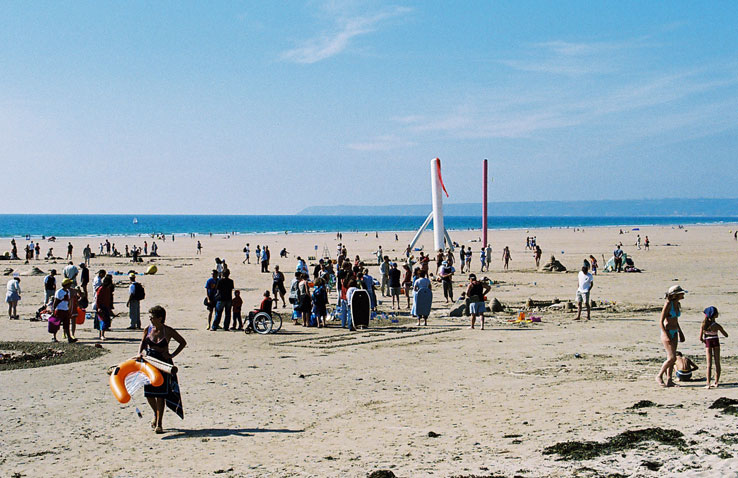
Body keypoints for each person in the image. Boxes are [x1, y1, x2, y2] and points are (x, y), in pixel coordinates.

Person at [138, 305, 186, 434]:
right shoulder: (147, 329)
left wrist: (172, 355)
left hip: (163, 365)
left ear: (160, 318)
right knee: (148, 394)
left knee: (160, 395)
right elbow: (143, 343)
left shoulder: (168, 331)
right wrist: (139, 353)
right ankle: (156, 413)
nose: (150, 320)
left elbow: (182, 342)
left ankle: (159, 423)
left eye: (152, 318)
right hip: (149, 363)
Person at [657, 285, 687, 388]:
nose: (683, 295)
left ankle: (669, 380)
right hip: (668, 331)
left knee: (672, 358)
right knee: (672, 357)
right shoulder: (668, 304)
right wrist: (665, 333)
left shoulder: (677, 304)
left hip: (675, 331)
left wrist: (680, 332)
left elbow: (675, 320)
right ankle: (659, 376)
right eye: (681, 293)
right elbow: (661, 321)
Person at [699, 306, 729, 388]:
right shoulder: (716, 325)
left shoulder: (704, 325)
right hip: (715, 341)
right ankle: (716, 382)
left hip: (708, 342)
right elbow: (726, 335)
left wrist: (704, 341)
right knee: (717, 362)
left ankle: (708, 383)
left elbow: (700, 338)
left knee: (709, 364)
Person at [51, 278, 77, 342]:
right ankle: (54, 337)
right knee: (56, 324)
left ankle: (69, 338)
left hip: (65, 310)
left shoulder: (67, 291)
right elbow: (56, 301)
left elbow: (68, 302)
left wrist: (69, 309)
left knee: (66, 324)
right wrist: (53, 310)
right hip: (59, 310)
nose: (70, 285)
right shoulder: (59, 292)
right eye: (69, 284)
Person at [95, 274, 114, 340]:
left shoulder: (107, 289)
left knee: (105, 321)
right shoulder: (101, 289)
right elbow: (98, 299)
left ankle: (102, 334)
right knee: (102, 321)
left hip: (106, 307)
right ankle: (101, 335)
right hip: (101, 307)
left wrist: (109, 308)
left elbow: (108, 299)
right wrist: (98, 307)